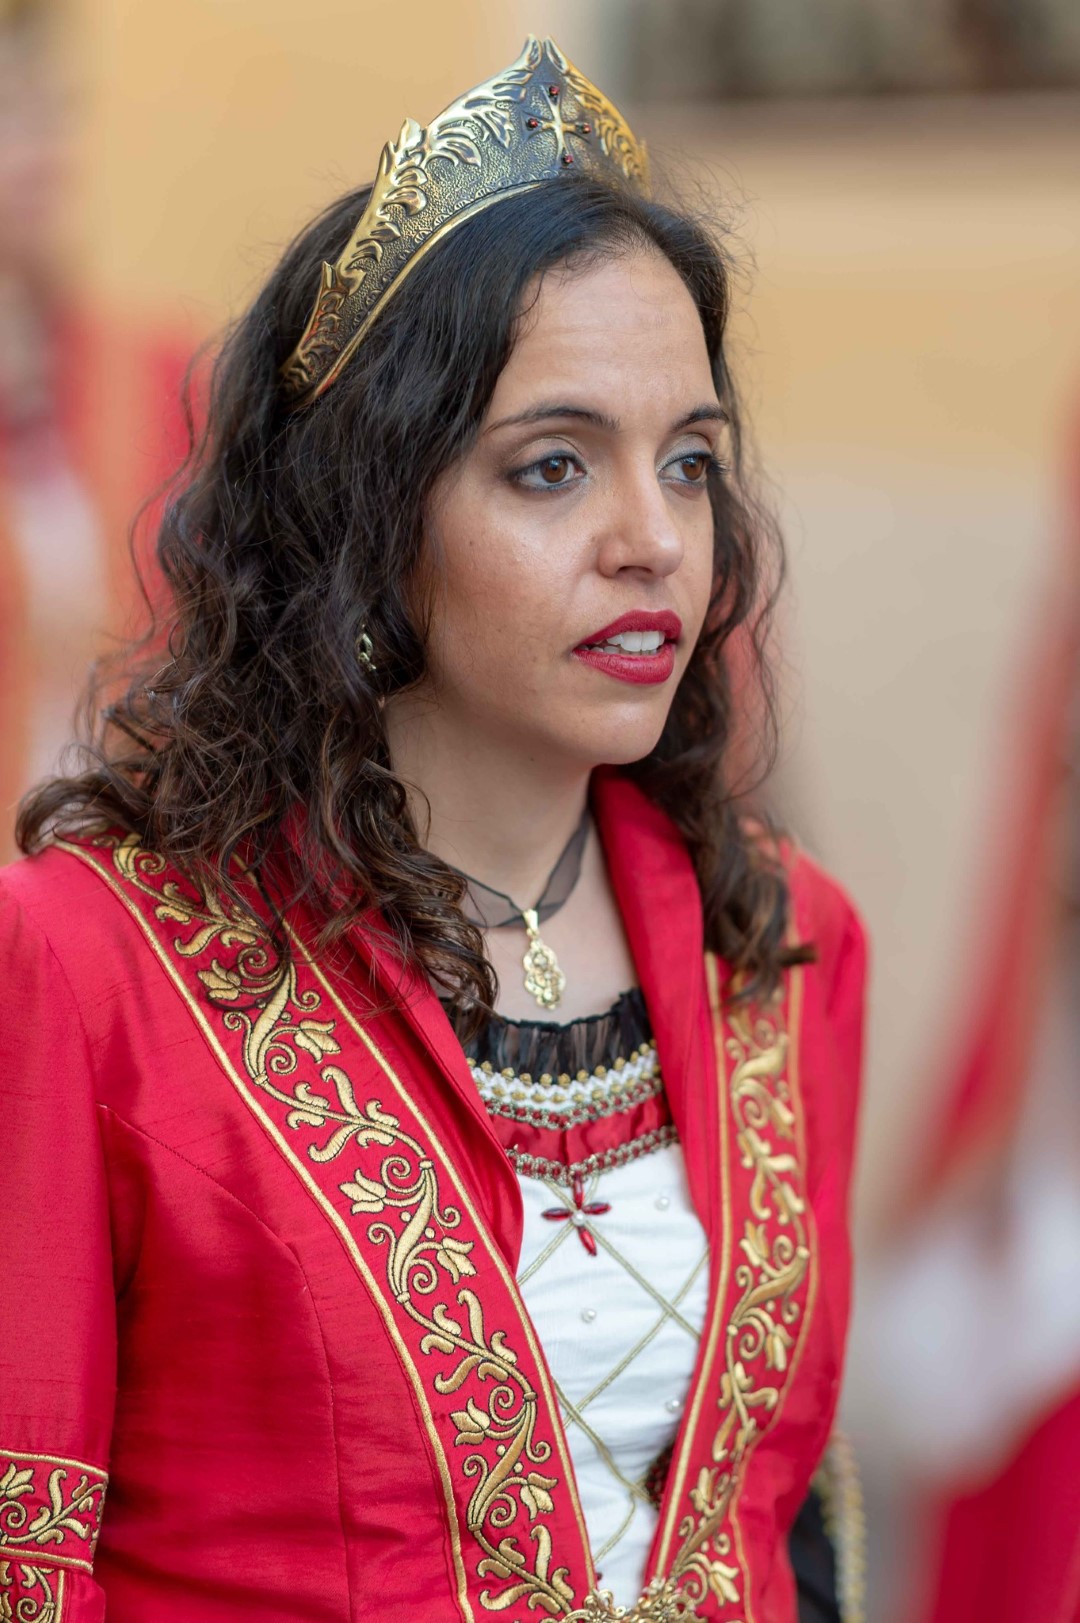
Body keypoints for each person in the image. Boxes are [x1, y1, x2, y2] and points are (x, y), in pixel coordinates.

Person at [0, 37, 866, 1623]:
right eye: (554, 468)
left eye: (690, 463)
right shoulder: (91, 964)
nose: (654, 540)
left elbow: (787, 1511)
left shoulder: (781, 940)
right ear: (371, 517)